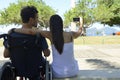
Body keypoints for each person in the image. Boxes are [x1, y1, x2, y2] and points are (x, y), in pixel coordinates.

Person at [13, 14, 83, 78]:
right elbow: (79, 31)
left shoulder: (50, 35)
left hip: (57, 73)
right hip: (73, 72)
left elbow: (30, 32)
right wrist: (81, 23)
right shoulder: (70, 34)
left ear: (51, 25)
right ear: (61, 24)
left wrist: (14, 30)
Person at [3, 6, 50, 80]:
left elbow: (6, 55)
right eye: (36, 18)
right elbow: (47, 54)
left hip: (18, 69)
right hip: (35, 69)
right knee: (44, 63)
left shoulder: (11, 35)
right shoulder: (38, 35)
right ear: (31, 19)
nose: (37, 20)